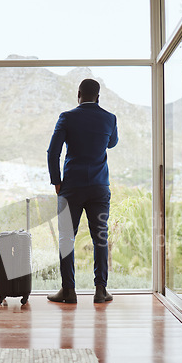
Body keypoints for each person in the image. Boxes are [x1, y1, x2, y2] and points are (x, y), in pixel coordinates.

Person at [47, 78, 118, 303]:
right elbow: (112, 143)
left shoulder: (67, 117)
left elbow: (52, 152)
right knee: (100, 238)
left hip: (71, 188)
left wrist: (56, 181)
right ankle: (100, 290)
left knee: (67, 237)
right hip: (99, 187)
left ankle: (68, 291)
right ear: (98, 96)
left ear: (78, 94)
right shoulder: (109, 118)